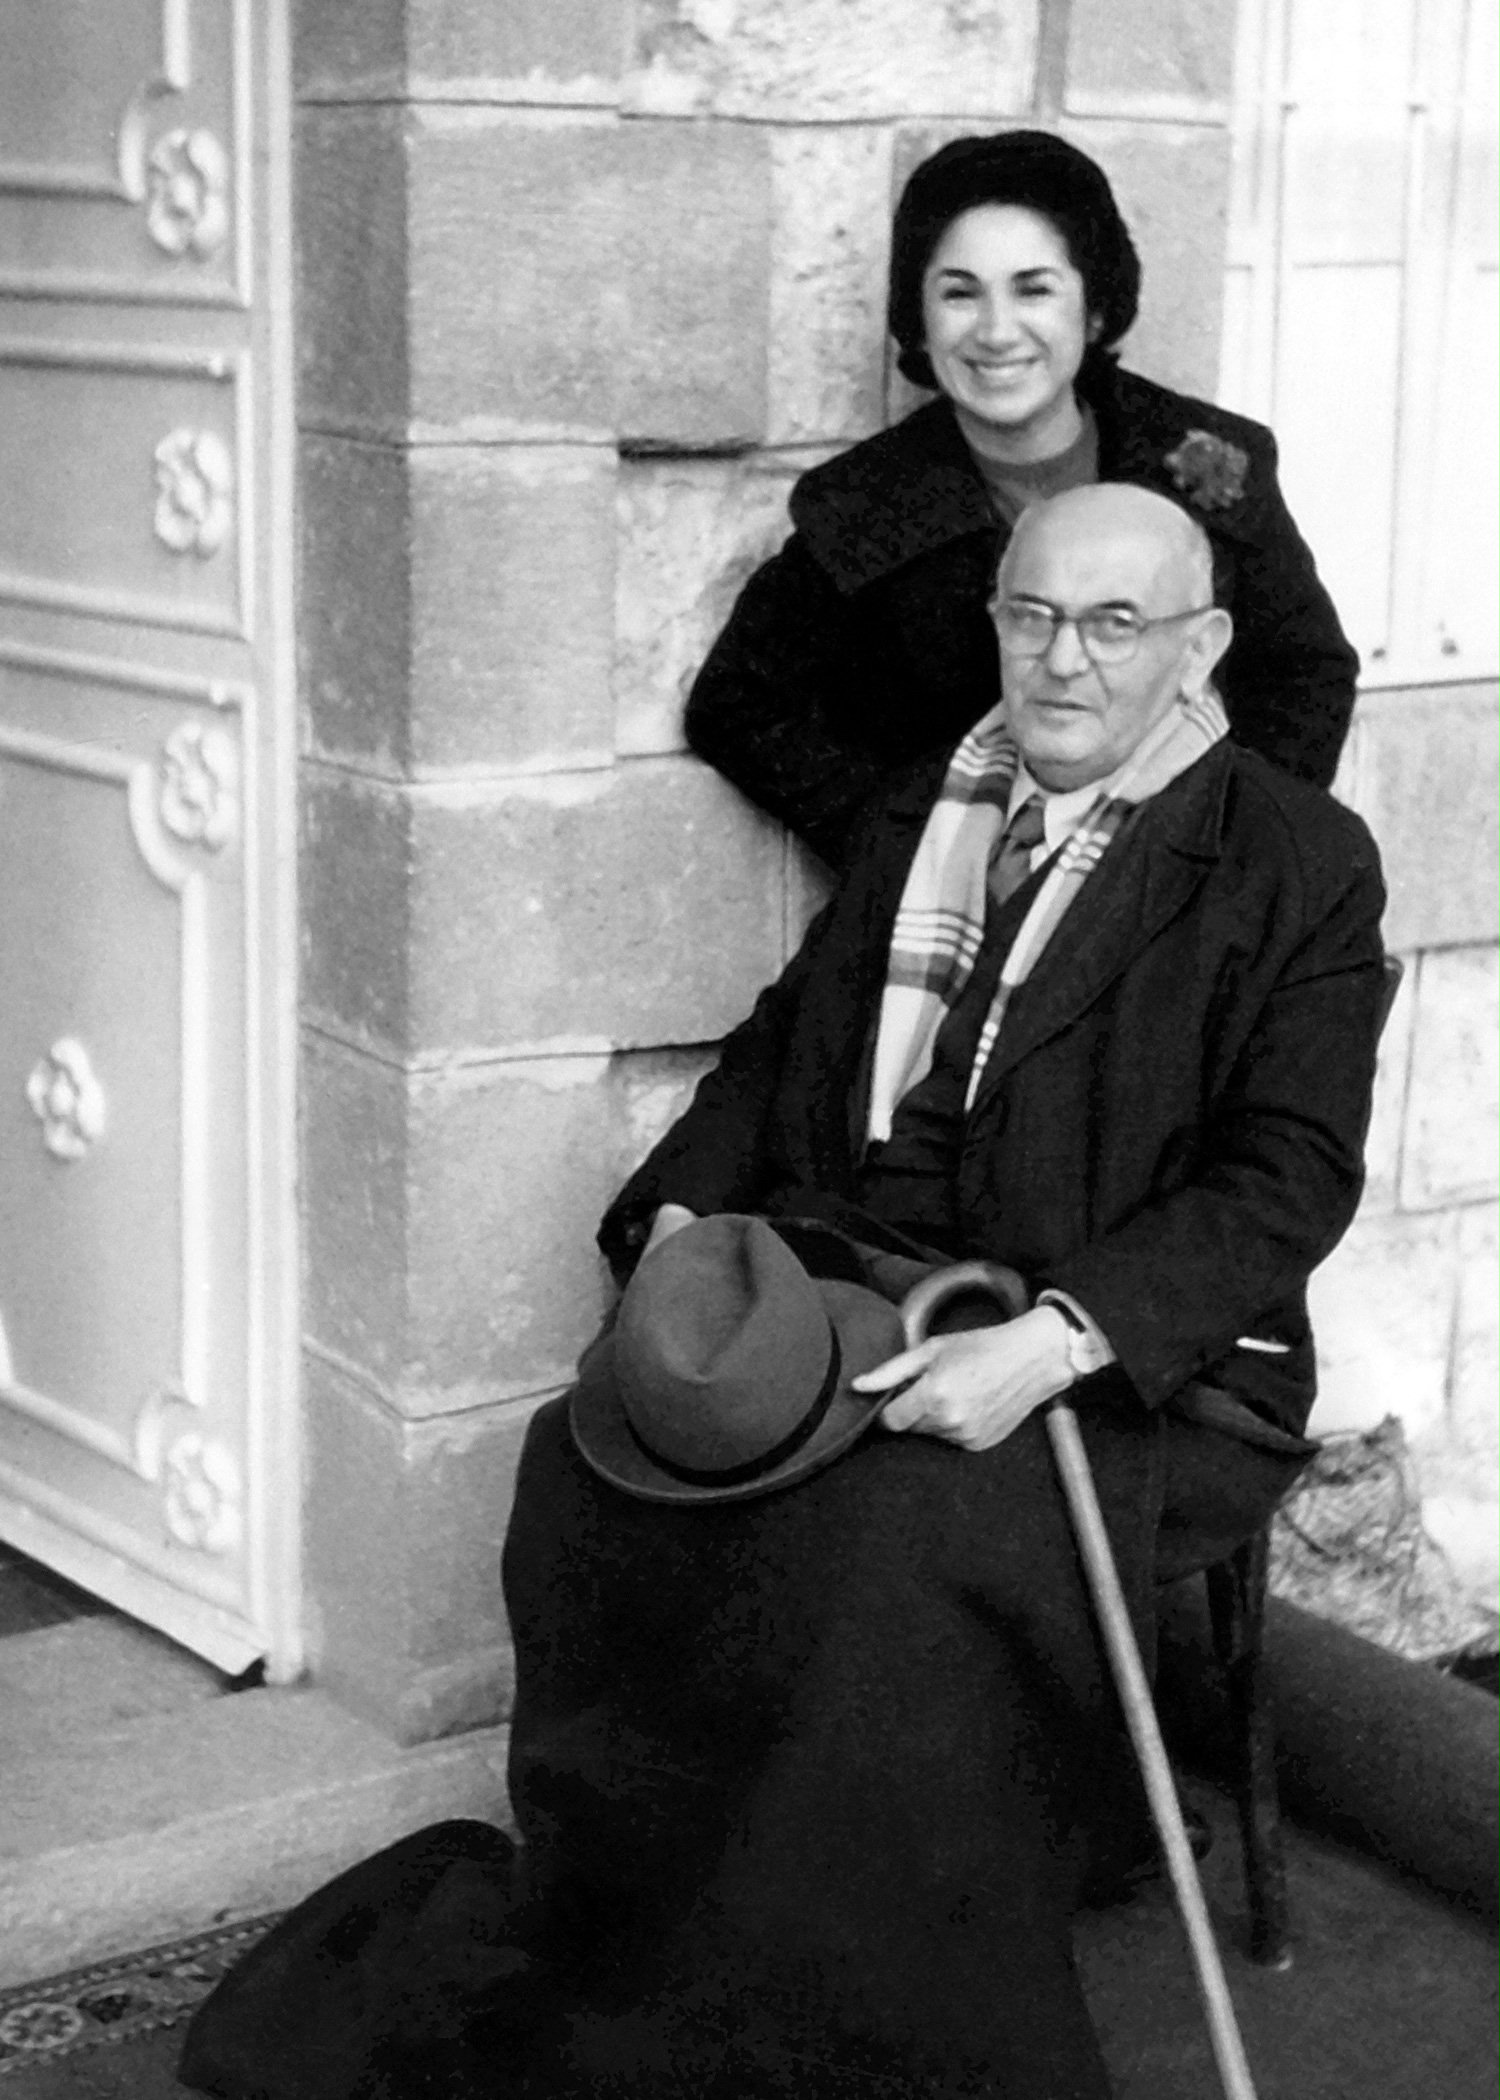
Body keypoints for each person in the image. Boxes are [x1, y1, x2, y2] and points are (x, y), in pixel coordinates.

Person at [178, 486, 1384, 2100]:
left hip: (1120, 1348)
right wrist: (678, 1216)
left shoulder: (1292, 858)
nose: (1064, 662)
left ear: (1202, 647)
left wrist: (1055, 1341)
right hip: (870, 1280)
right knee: (594, 1463)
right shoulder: (926, 809)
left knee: (871, 1550)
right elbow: (776, 1045)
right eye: (1032, 617)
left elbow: (1287, 1177)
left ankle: (848, 2023)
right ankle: (657, 1944)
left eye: (1115, 625)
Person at [685, 130, 1359, 866]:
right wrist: (910, 844)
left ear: (1094, 307)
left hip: (1183, 891)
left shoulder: (1199, 461)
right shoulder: (869, 506)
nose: (996, 331)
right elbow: (738, 705)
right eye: (959, 293)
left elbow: (1306, 674)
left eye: (1034, 288)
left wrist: (1231, 852)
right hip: (978, 907)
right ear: (920, 315)